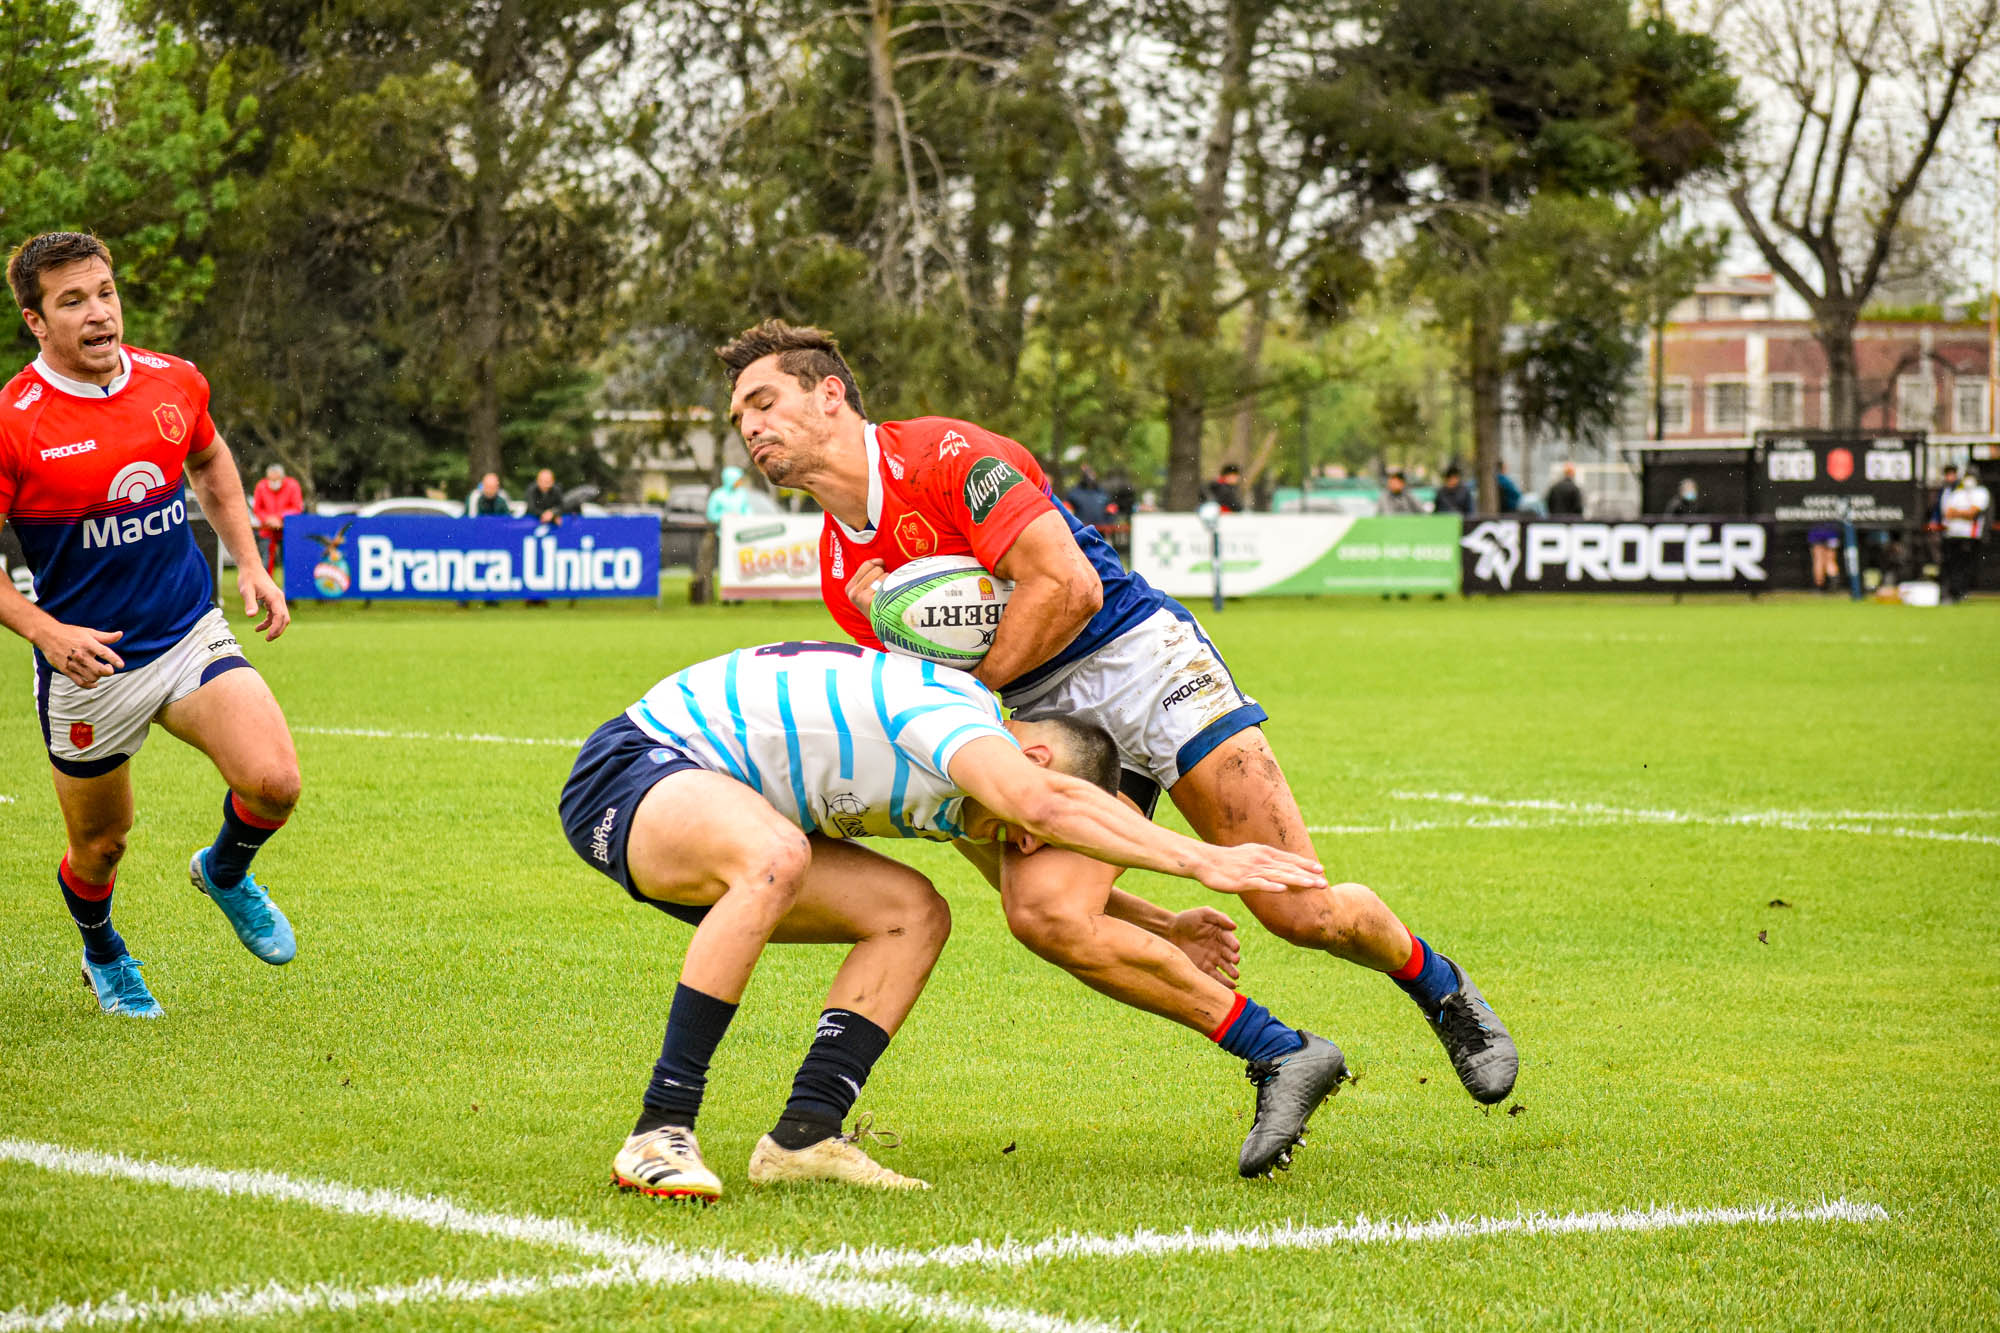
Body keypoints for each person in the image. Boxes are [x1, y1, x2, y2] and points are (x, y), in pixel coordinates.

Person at [715, 320, 1519, 1159]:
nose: (752, 429)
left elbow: (1068, 583)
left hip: (1140, 661)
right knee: (1046, 913)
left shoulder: (949, 456)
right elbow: (935, 731)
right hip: (1036, 713)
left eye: (765, 401)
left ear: (830, 393)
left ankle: (1439, 987)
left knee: (1300, 910)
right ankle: (1282, 1053)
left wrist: (986, 706)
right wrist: (1151, 908)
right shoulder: (848, 580)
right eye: (740, 419)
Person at [559, 641, 1334, 1198]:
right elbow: (1042, 807)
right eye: (1039, 829)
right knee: (777, 854)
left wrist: (1163, 922)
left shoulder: (968, 786)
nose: (1030, 844)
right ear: (1028, 760)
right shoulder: (956, 723)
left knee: (914, 913)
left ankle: (804, 1136)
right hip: (636, 772)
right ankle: (660, 1127)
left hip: (725, 820)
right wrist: (1206, 860)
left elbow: (1012, 872)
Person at [0, 232, 300, 1019]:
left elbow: (210, 462)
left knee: (274, 781)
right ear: (36, 320)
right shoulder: (13, 420)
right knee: (101, 847)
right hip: (88, 667)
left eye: (104, 292)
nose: (99, 313)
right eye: (73, 301)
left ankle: (226, 870)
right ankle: (104, 950)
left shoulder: (175, 380)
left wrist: (252, 563)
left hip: (184, 630)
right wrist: (44, 631)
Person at [1939, 466, 1990, 603]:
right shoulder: (1958, 493)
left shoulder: (1981, 492)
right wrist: (1963, 513)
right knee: (1951, 565)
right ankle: (1950, 593)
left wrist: (1958, 513)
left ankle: (1960, 593)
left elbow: (1972, 513)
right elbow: (1948, 513)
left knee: (1964, 566)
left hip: (1969, 535)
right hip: (1952, 534)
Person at [251, 462, 303, 573]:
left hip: (287, 529)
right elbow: (257, 509)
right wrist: (268, 519)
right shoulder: (261, 486)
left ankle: (290, 588)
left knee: (289, 562)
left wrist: (279, 518)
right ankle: (265, 589)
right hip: (267, 529)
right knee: (265, 561)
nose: (273, 483)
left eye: (276, 480)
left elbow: (297, 508)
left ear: (283, 477)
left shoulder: (293, 485)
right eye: (271, 480)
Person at [1807, 522, 1842, 592]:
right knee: (1830, 560)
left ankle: (1819, 587)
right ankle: (1834, 586)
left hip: (1817, 531)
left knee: (1818, 560)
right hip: (1831, 531)